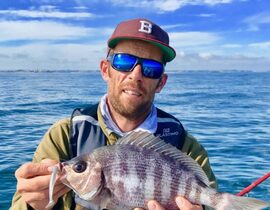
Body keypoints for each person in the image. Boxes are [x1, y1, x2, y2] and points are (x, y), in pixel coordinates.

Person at [10, 18, 217, 210]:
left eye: (151, 68)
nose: (135, 75)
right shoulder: (65, 136)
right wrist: (32, 204)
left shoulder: (187, 148)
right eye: (124, 61)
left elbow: (211, 200)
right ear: (105, 69)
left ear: (161, 82)